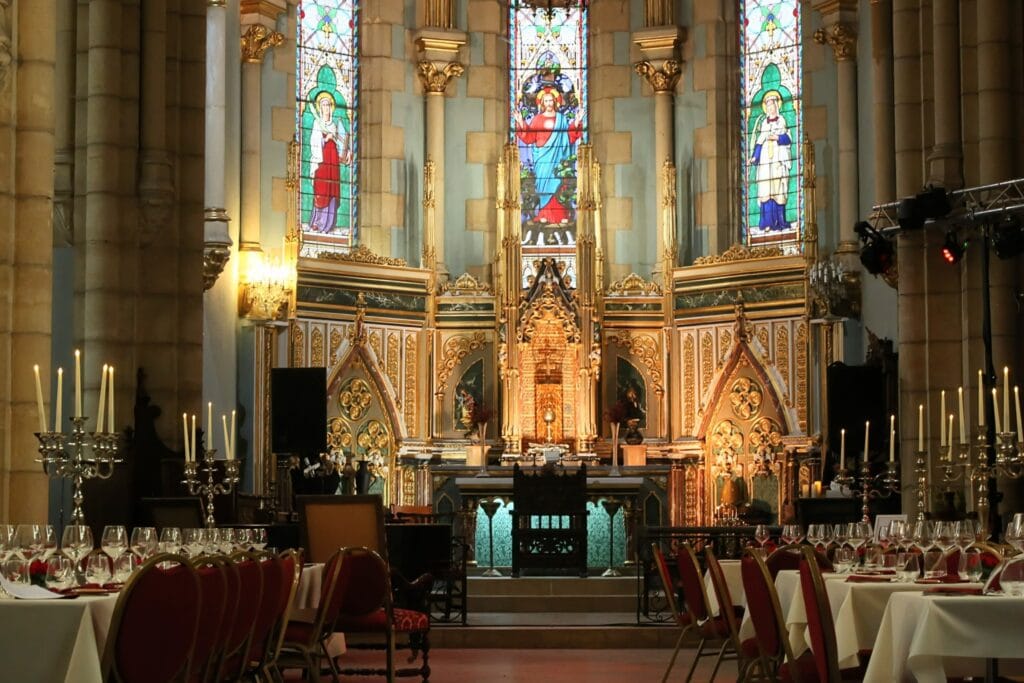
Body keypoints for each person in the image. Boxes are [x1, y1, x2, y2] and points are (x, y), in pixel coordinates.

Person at [514, 87, 583, 243]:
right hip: (541, 159)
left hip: (557, 158)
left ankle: (560, 216)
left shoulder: (561, 119)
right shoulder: (537, 119)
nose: (549, 103)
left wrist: (577, 122)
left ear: (555, 101)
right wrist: (520, 122)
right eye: (545, 101)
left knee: (558, 185)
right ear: (542, 103)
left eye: (551, 100)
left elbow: (569, 137)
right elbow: (530, 137)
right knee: (543, 188)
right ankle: (543, 215)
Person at [748, 89, 792, 231]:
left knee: (778, 189)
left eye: (772, 105)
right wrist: (754, 157)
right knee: (765, 189)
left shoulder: (782, 121)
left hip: (778, 161)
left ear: (776, 106)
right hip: (766, 163)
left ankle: (779, 222)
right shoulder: (764, 124)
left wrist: (777, 138)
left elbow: (788, 138)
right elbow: (759, 142)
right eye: (767, 106)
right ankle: (766, 223)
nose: (770, 108)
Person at [307, 91, 350, 233]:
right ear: (320, 107)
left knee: (332, 189)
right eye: (323, 105)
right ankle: (318, 222)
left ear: (331, 108)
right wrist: (326, 139)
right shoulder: (317, 123)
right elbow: (314, 141)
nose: (326, 108)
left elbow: (343, 143)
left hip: (333, 161)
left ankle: (329, 223)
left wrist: (346, 152)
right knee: (322, 188)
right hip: (322, 160)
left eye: (328, 105)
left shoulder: (336, 125)